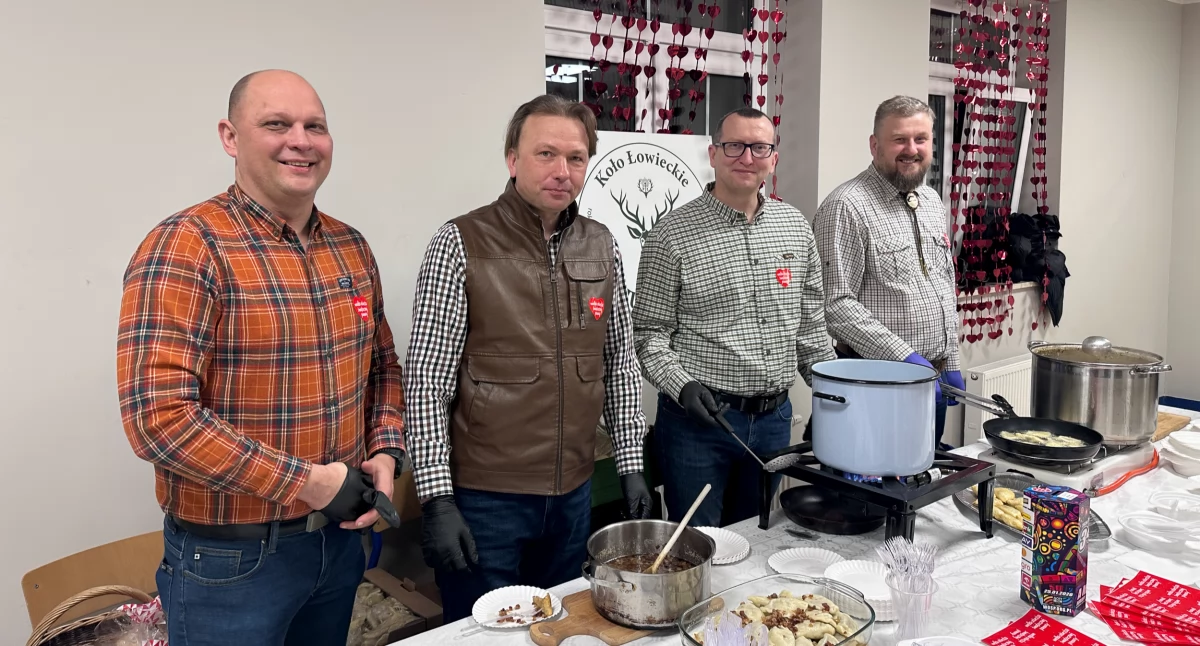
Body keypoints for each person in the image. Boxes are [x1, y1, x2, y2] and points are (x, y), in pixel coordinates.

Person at [117, 70, 406, 645]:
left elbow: (383, 367)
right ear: (230, 136)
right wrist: (309, 483)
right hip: (231, 565)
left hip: (337, 545)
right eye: (276, 124)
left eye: (314, 126)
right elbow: (160, 420)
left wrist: (386, 448)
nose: (300, 140)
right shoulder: (186, 246)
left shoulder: (350, 246)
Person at [403, 94, 654, 622]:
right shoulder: (460, 242)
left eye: (576, 158)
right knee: (485, 633)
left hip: (573, 496)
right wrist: (437, 500)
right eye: (546, 154)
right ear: (512, 159)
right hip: (485, 499)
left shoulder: (601, 244)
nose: (562, 171)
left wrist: (632, 464)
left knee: (560, 624)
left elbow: (620, 363)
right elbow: (427, 382)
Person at [632, 107, 837, 528]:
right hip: (699, 426)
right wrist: (682, 385)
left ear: (773, 158)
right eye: (734, 146)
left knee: (759, 536)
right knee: (698, 546)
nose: (747, 157)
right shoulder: (671, 234)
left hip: (774, 423)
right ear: (713, 153)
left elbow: (812, 329)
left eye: (759, 146)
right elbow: (649, 335)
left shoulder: (795, 227)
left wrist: (833, 400)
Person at [812, 95, 963, 450]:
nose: (911, 149)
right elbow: (834, 304)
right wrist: (906, 360)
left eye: (921, 139)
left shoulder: (930, 201)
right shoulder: (846, 206)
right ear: (874, 145)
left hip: (931, 380)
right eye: (900, 139)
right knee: (871, 498)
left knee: (919, 487)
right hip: (874, 384)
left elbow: (944, 286)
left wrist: (951, 361)